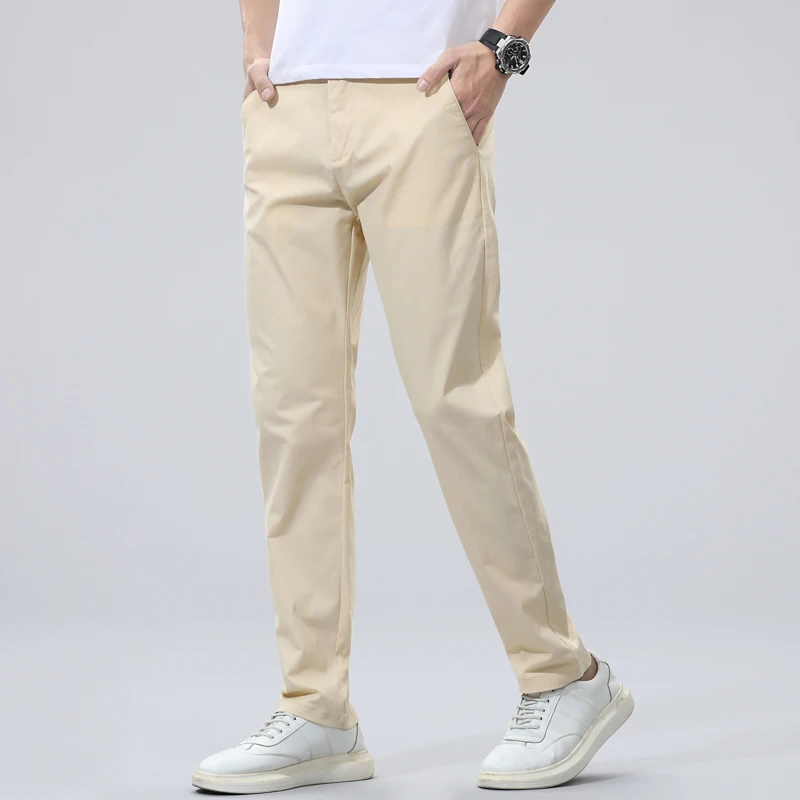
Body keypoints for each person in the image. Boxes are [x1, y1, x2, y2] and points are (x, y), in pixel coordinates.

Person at [192, 0, 633, 793]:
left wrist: (503, 48)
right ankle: (316, 708)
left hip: (423, 95)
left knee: (455, 399)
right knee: (294, 416)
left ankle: (563, 675)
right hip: (289, 106)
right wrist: (258, 42)